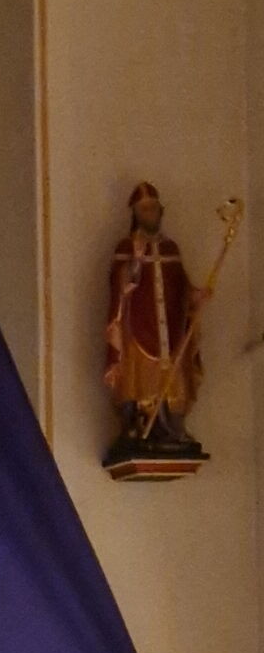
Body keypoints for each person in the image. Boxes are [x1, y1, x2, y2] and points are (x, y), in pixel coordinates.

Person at [104, 182, 208, 465]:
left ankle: (172, 430)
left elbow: (180, 285)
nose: (150, 214)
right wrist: (136, 262)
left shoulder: (171, 247)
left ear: (160, 211)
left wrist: (195, 297)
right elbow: (119, 285)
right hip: (138, 327)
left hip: (170, 330)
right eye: (144, 209)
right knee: (137, 379)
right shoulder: (126, 246)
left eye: (153, 208)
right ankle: (137, 429)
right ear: (136, 214)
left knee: (173, 378)